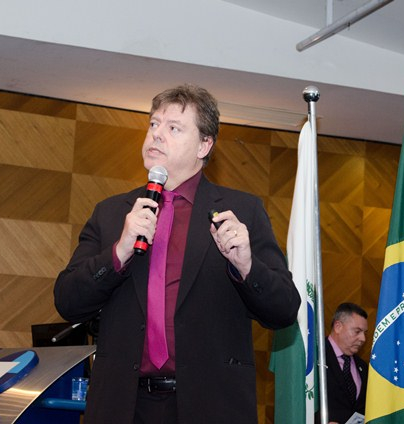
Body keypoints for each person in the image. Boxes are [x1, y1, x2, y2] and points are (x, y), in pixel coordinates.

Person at [54, 84, 300, 424]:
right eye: (154, 124)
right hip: (122, 406)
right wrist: (119, 252)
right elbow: (67, 301)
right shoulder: (111, 213)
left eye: (173, 128)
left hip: (211, 406)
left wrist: (246, 265)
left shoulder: (241, 211)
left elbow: (284, 309)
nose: (156, 135)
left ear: (204, 145)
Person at [324, 303, 369, 424]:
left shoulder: (363, 367)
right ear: (338, 327)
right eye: (357, 331)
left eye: (365, 333)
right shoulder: (315, 357)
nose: (363, 339)